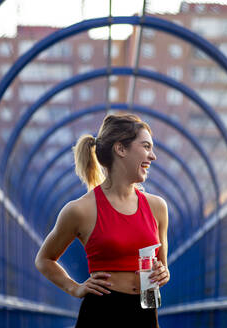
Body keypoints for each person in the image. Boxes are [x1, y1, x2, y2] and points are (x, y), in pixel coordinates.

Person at [35, 113, 170, 327]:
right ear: (121, 149)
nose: (152, 156)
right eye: (146, 146)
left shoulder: (158, 207)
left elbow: (161, 266)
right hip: (100, 313)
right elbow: (44, 259)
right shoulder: (80, 209)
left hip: (145, 312)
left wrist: (163, 273)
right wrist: (74, 287)